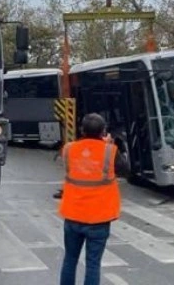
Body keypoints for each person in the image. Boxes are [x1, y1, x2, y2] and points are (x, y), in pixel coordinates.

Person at [58, 113, 129, 285]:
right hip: (99, 217)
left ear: (81, 130)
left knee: (70, 259)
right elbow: (125, 170)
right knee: (93, 263)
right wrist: (108, 143)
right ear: (103, 131)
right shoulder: (110, 151)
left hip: (73, 213)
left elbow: (78, 160)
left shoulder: (68, 149)